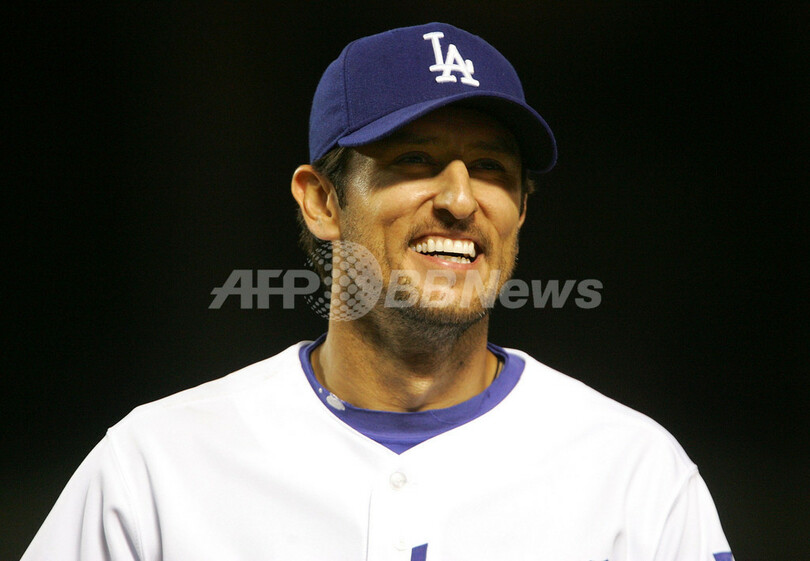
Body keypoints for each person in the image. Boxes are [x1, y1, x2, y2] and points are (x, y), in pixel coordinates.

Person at [22, 23, 733, 561]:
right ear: (322, 201)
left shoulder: (635, 475)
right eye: (414, 159)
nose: (460, 199)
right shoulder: (157, 468)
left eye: (491, 167)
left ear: (520, 208)